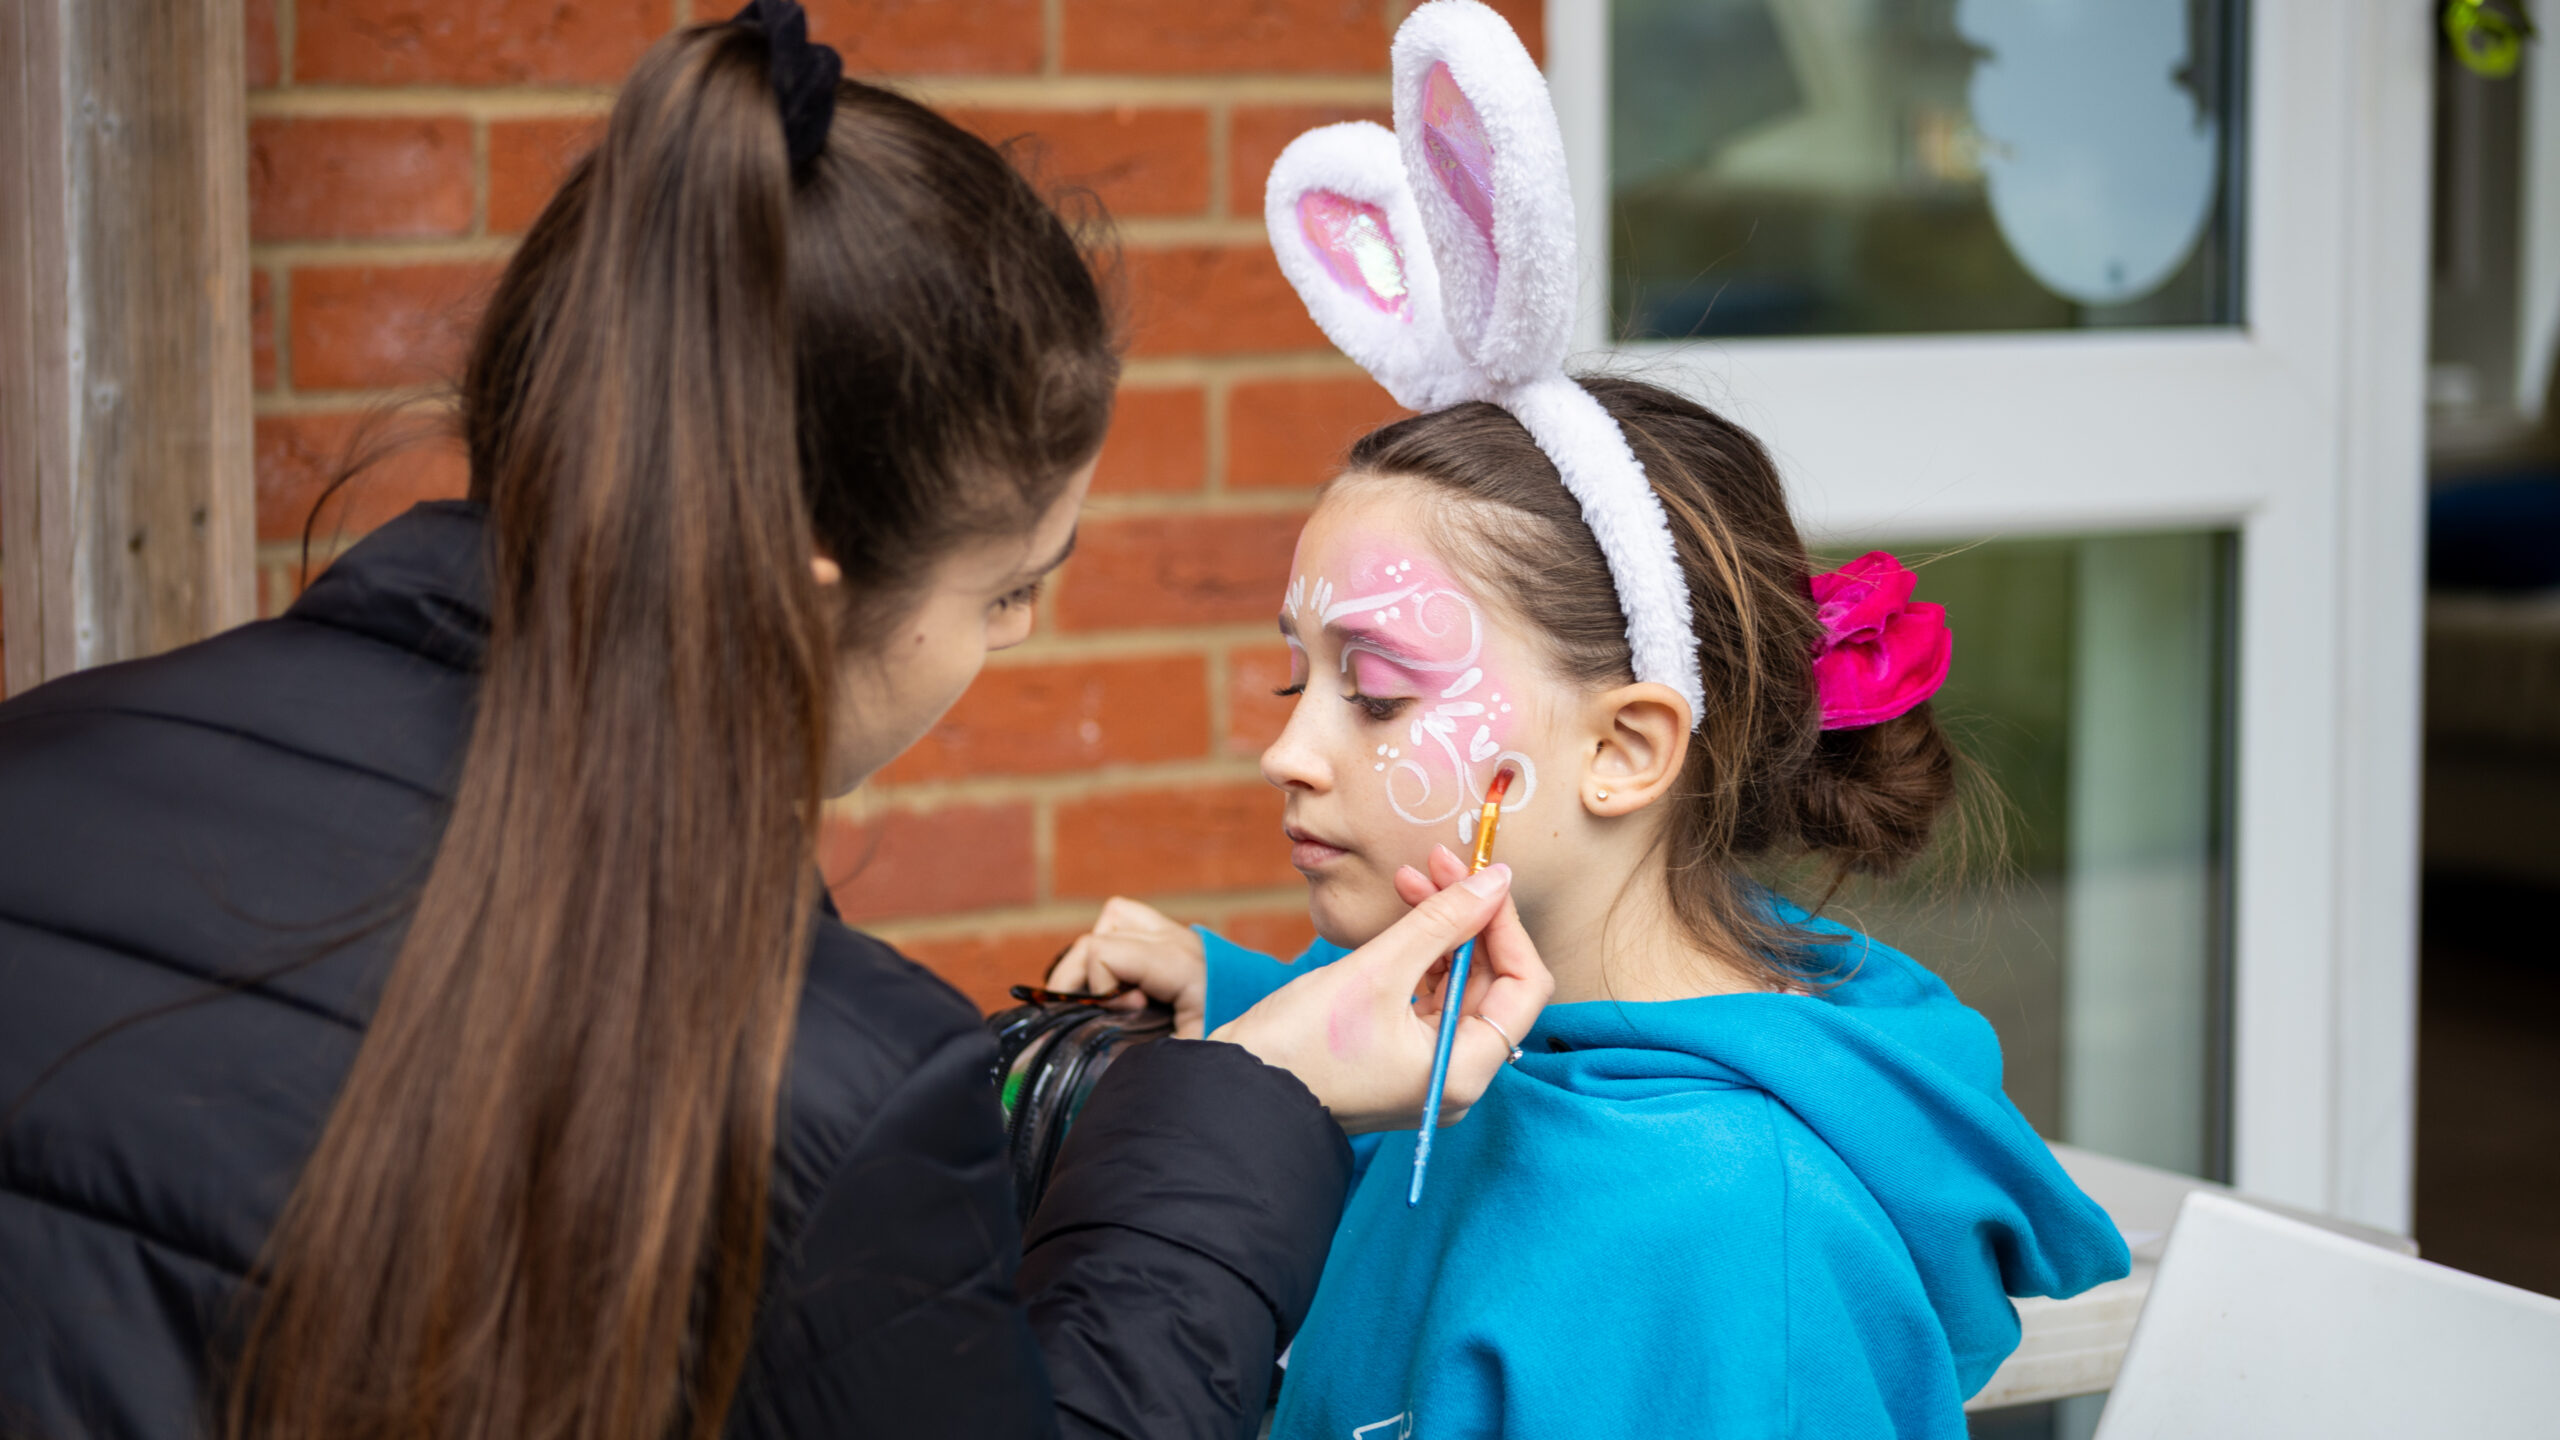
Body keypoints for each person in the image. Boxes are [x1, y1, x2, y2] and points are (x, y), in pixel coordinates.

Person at [0, 6, 1549, 1439]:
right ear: (802, 597)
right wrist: (1240, 1125)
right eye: (1011, 591)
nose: (1287, 748)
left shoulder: (43, 774)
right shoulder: (816, 1090)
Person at [1047, 5, 2128, 1434]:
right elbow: (1499, 1081)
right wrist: (1240, 1007)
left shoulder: (1732, 1245)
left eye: (1376, 691)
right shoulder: (1496, 1048)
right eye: (1293, 680)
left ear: (1626, 749)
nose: (1289, 750)